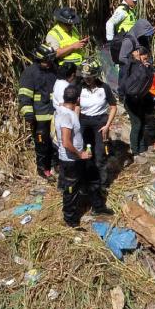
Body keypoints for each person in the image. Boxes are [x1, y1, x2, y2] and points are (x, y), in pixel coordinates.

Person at [76, 59, 117, 215]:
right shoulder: (80, 88)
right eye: (85, 76)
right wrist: (75, 124)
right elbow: (77, 106)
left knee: (99, 156)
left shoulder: (104, 88)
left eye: (90, 76)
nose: (87, 79)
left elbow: (113, 106)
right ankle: (87, 183)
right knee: (86, 155)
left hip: (99, 122)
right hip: (84, 122)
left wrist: (107, 125)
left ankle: (99, 184)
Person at [54, 84, 92, 228]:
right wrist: (80, 154)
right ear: (77, 99)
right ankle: (71, 220)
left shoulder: (64, 110)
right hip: (70, 160)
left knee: (72, 186)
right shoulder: (66, 116)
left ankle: (73, 211)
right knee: (71, 189)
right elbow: (66, 142)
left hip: (70, 159)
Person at [19, 45, 58, 179]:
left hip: (54, 115)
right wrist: (28, 113)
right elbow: (24, 95)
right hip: (39, 117)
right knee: (42, 144)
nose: (49, 63)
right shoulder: (30, 73)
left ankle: (55, 166)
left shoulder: (53, 70)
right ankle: (43, 170)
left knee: (55, 143)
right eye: (47, 60)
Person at [119, 46, 155, 157]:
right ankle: (135, 150)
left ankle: (142, 148)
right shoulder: (128, 67)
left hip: (139, 99)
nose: (145, 61)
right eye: (144, 58)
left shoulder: (140, 65)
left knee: (142, 122)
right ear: (136, 54)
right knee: (137, 124)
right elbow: (125, 85)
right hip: (130, 100)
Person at [45, 7, 88, 73]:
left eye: (71, 24)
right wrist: (73, 46)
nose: (70, 26)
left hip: (80, 67)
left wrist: (82, 43)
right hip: (65, 70)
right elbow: (55, 54)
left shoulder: (73, 29)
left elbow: (76, 44)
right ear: (61, 22)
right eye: (67, 24)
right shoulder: (52, 34)